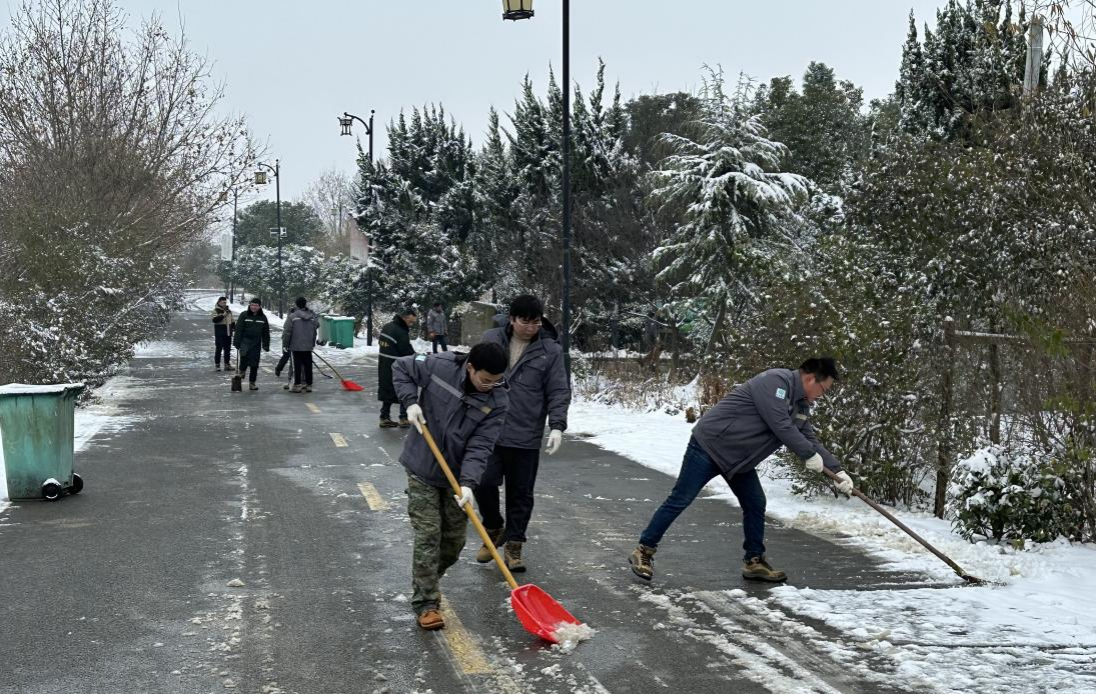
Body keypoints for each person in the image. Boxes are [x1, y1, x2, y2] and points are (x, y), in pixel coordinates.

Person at [628, 357, 854, 583]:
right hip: (709, 447)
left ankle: (754, 562)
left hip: (738, 460)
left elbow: (808, 437)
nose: (822, 395)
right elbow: (780, 424)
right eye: (824, 390)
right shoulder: (775, 382)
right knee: (681, 498)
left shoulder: (800, 405)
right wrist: (807, 454)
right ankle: (644, 550)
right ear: (810, 379)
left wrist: (837, 472)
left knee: (755, 503)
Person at [392, 342, 510, 631]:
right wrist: (410, 401)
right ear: (470, 367)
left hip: (456, 477)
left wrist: (468, 483)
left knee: (454, 542)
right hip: (422, 465)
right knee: (429, 534)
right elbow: (401, 367)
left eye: (497, 381)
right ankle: (426, 603)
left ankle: (427, 581)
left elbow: (481, 445)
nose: (490, 386)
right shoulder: (440, 366)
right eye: (485, 380)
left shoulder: (498, 400)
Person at [473, 295, 570, 572]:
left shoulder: (550, 350)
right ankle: (494, 526)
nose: (530, 328)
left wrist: (557, 425)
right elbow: (471, 374)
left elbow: (558, 389)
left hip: (526, 432)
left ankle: (514, 544)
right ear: (512, 319)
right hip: (489, 428)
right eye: (525, 322)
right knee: (482, 480)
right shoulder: (491, 339)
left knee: (520, 493)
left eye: (536, 322)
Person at [377, 309, 417, 428]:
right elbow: (406, 351)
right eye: (410, 322)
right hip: (397, 365)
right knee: (404, 388)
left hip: (384, 363)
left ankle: (384, 417)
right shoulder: (400, 331)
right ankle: (403, 418)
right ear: (404, 318)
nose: (411, 324)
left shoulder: (387, 326)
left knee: (388, 389)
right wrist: (419, 358)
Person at [283, 297, 320, 393]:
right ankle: (308, 385)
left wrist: (285, 343)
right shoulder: (312, 316)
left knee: (297, 365)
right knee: (308, 365)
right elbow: (317, 325)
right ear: (305, 304)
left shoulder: (293, 316)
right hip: (308, 345)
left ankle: (297, 385)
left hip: (296, 345)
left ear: (296, 304)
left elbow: (287, 331)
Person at [232, 298, 271, 391]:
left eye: (256, 305)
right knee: (244, 358)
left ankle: (252, 383)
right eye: (252, 305)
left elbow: (266, 332)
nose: (254, 307)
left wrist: (266, 344)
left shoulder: (263, 317)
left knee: (254, 363)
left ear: (260, 307)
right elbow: (238, 329)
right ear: (249, 305)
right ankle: (241, 372)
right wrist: (236, 342)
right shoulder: (244, 315)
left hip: (256, 343)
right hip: (245, 341)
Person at [210, 297, 234, 371]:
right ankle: (217, 365)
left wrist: (234, 327)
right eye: (223, 302)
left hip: (228, 331)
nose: (224, 304)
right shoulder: (216, 310)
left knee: (227, 349)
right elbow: (214, 320)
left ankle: (227, 364)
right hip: (220, 331)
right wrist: (223, 315)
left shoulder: (228, 311)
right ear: (219, 302)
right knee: (219, 348)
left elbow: (232, 320)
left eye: (225, 302)